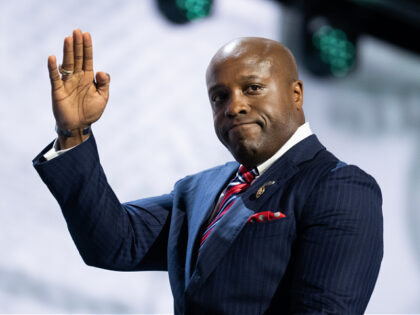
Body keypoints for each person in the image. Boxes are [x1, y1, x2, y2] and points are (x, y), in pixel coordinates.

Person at [33, 29, 383, 314]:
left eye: (252, 88)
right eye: (219, 97)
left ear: (295, 94)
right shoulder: (201, 189)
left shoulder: (339, 186)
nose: (234, 106)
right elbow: (115, 243)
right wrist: (73, 133)